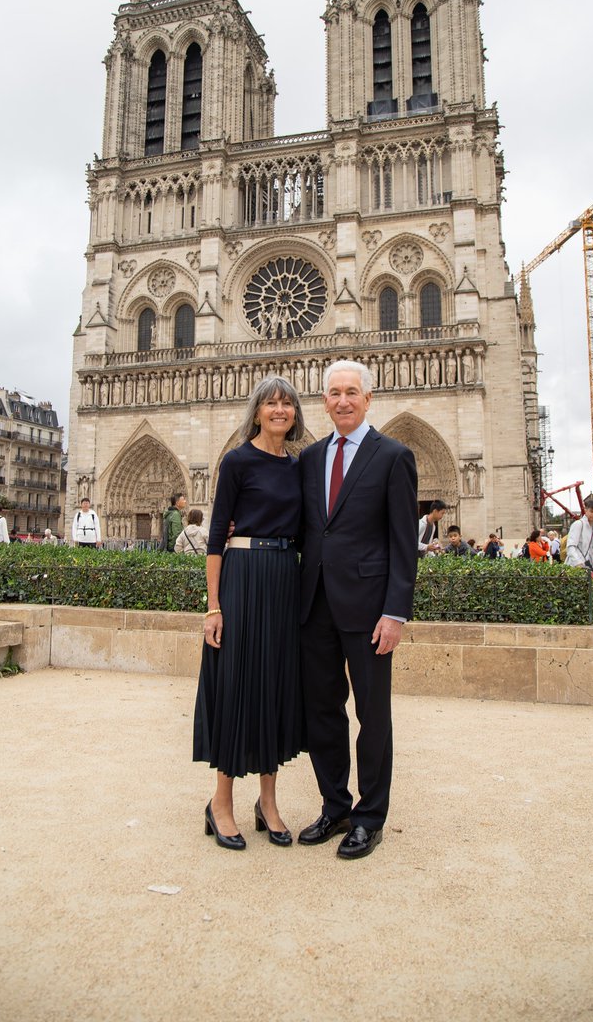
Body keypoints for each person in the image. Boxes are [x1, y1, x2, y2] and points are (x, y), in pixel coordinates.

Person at [298, 359, 418, 861]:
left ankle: (370, 817)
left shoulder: (393, 456)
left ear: (368, 399)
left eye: (351, 392)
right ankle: (335, 806)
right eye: (333, 393)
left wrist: (396, 612)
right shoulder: (309, 458)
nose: (342, 401)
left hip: (370, 611)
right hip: (315, 606)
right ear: (323, 401)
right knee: (323, 712)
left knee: (373, 716)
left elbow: (403, 543)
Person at [194, 376, 304, 851]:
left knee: (274, 687)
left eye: (287, 403)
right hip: (242, 576)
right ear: (256, 411)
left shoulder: (300, 467)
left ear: (296, 414)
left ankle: (268, 803)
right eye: (270, 403)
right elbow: (216, 536)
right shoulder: (236, 462)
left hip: (283, 577)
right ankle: (221, 803)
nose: (279, 410)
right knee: (238, 683)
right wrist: (213, 606)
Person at [564, 498, 593, 582]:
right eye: (591, 511)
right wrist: (578, 563)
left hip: (586, 566)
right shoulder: (578, 524)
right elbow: (570, 546)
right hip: (574, 566)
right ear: (586, 510)